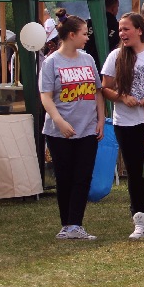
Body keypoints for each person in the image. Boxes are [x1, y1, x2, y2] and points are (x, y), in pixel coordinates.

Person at [40, 15, 105, 241]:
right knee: (65, 177)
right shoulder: (51, 62)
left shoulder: (88, 59)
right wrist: (59, 120)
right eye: (84, 34)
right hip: (59, 132)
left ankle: (76, 224)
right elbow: (46, 96)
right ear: (71, 35)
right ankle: (66, 224)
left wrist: (101, 119)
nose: (87, 38)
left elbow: (97, 91)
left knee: (83, 177)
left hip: (87, 129)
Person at [100, 12, 144, 240]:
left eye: (126, 29)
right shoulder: (116, 56)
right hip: (126, 121)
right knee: (134, 171)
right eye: (120, 29)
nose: (122, 33)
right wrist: (121, 97)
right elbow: (105, 87)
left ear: (139, 30)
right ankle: (139, 218)